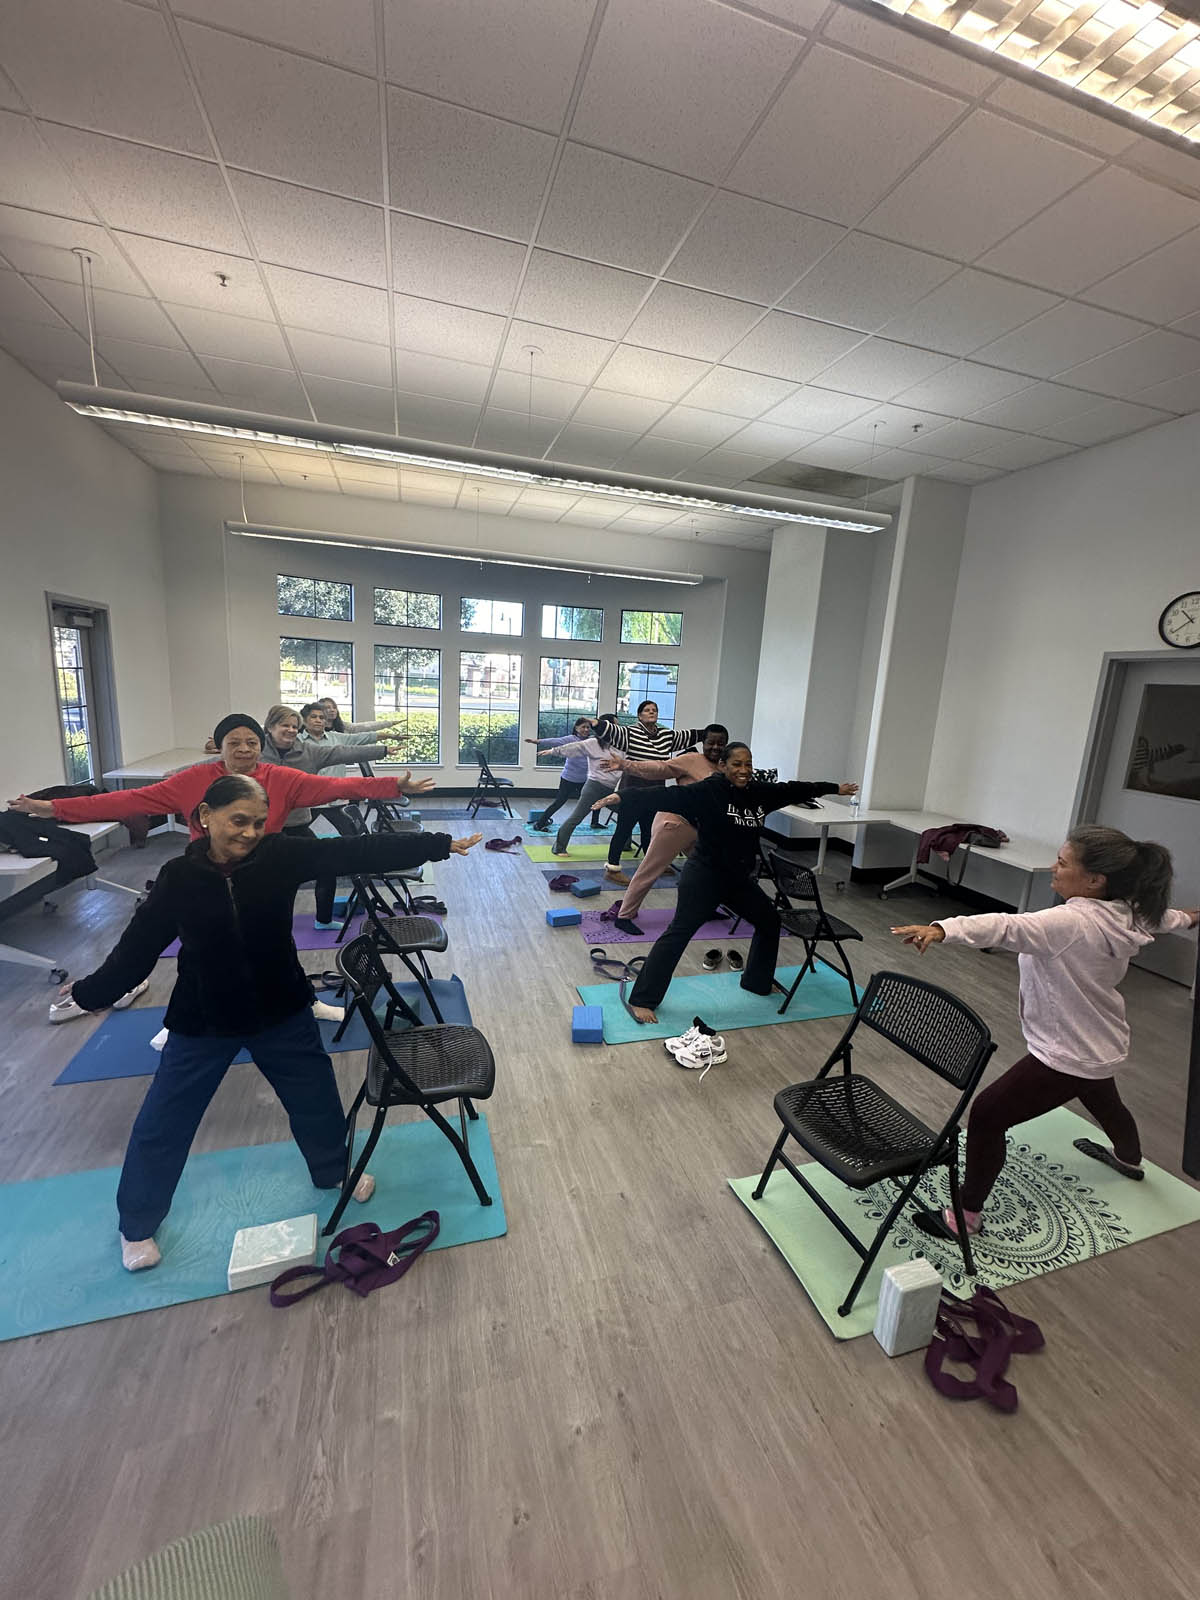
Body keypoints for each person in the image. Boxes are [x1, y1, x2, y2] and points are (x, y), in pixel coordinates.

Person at [59, 772, 483, 1273]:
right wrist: (87, 994)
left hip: (280, 1010)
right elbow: (135, 953)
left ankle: (332, 1173)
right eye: (238, 821)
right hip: (203, 1020)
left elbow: (354, 852)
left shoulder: (280, 857)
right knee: (163, 1123)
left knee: (316, 1100)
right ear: (204, 817)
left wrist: (435, 844)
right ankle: (137, 1224)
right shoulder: (178, 878)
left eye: (258, 822)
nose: (248, 832)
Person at [891, 825, 1199, 1242]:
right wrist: (1194, 917)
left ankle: (966, 1215)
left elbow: (1004, 926)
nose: (1055, 867)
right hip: (1100, 1040)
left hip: (1068, 1050)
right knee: (1106, 1102)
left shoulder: (1067, 921)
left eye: (1063, 862)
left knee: (987, 1114)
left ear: (1095, 881)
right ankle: (1128, 1159)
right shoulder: (1126, 911)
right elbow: (1168, 917)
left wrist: (943, 929)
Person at [615, 744, 856, 1026]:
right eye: (737, 765)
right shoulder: (709, 791)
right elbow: (666, 794)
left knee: (768, 920)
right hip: (704, 877)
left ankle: (756, 981)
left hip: (737, 879)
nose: (743, 771)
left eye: (748, 764)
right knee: (679, 933)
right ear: (723, 766)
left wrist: (833, 788)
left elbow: (794, 789)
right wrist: (621, 796)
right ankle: (642, 999)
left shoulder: (759, 793)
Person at [8, 713, 435, 841]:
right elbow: (123, 802)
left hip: (266, 865)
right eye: (235, 742)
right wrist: (53, 807)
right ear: (221, 746)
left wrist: (393, 784)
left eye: (251, 742)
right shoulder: (192, 781)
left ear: (259, 744)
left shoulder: (281, 777)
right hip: (209, 873)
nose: (245, 749)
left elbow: (337, 786)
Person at [260, 704, 399, 928]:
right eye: (284, 725)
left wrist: (381, 750)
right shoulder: (256, 752)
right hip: (263, 831)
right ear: (270, 727)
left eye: (294, 726)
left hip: (299, 822)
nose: (291, 730)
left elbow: (343, 751)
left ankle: (322, 919)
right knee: (272, 883)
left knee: (326, 867)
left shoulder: (306, 751)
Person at [593, 724, 729, 933]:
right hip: (674, 824)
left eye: (720, 743)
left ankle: (704, 908)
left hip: (700, 829)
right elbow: (659, 768)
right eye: (711, 742)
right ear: (703, 742)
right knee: (650, 870)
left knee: (708, 871)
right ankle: (624, 916)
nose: (715, 747)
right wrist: (624, 765)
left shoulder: (725, 767)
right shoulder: (690, 760)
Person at [602, 702, 707, 885]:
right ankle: (612, 869)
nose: (652, 712)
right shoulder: (631, 732)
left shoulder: (665, 734)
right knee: (624, 829)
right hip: (633, 789)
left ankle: (652, 864)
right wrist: (595, 723)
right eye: (647, 710)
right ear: (640, 715)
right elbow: (609, 731)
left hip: (655, 790)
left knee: (649, 829)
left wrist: (709, 732)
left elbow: (689, 736)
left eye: (654, 710)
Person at [544, 716, 622, 858]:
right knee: (577, 818)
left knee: (626, 813)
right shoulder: (593, 743)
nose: (617, 729)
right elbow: (573, 747)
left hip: (610, 790)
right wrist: (553, 751)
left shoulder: (621, 745)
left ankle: (626, 844)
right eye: (614, 726)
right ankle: (558, 847)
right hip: (594, 787)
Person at [524, 717, 605, 832]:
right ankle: (539, 824)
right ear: (576, 728)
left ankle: (595, 823)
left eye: (588, 727)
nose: (586, 729)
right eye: (583, 727)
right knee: (559, 802)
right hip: (569, 778)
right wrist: (537, 741)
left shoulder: (592, 740)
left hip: (585, 779)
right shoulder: (570, 739)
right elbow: (554, 741)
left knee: (597, 799)